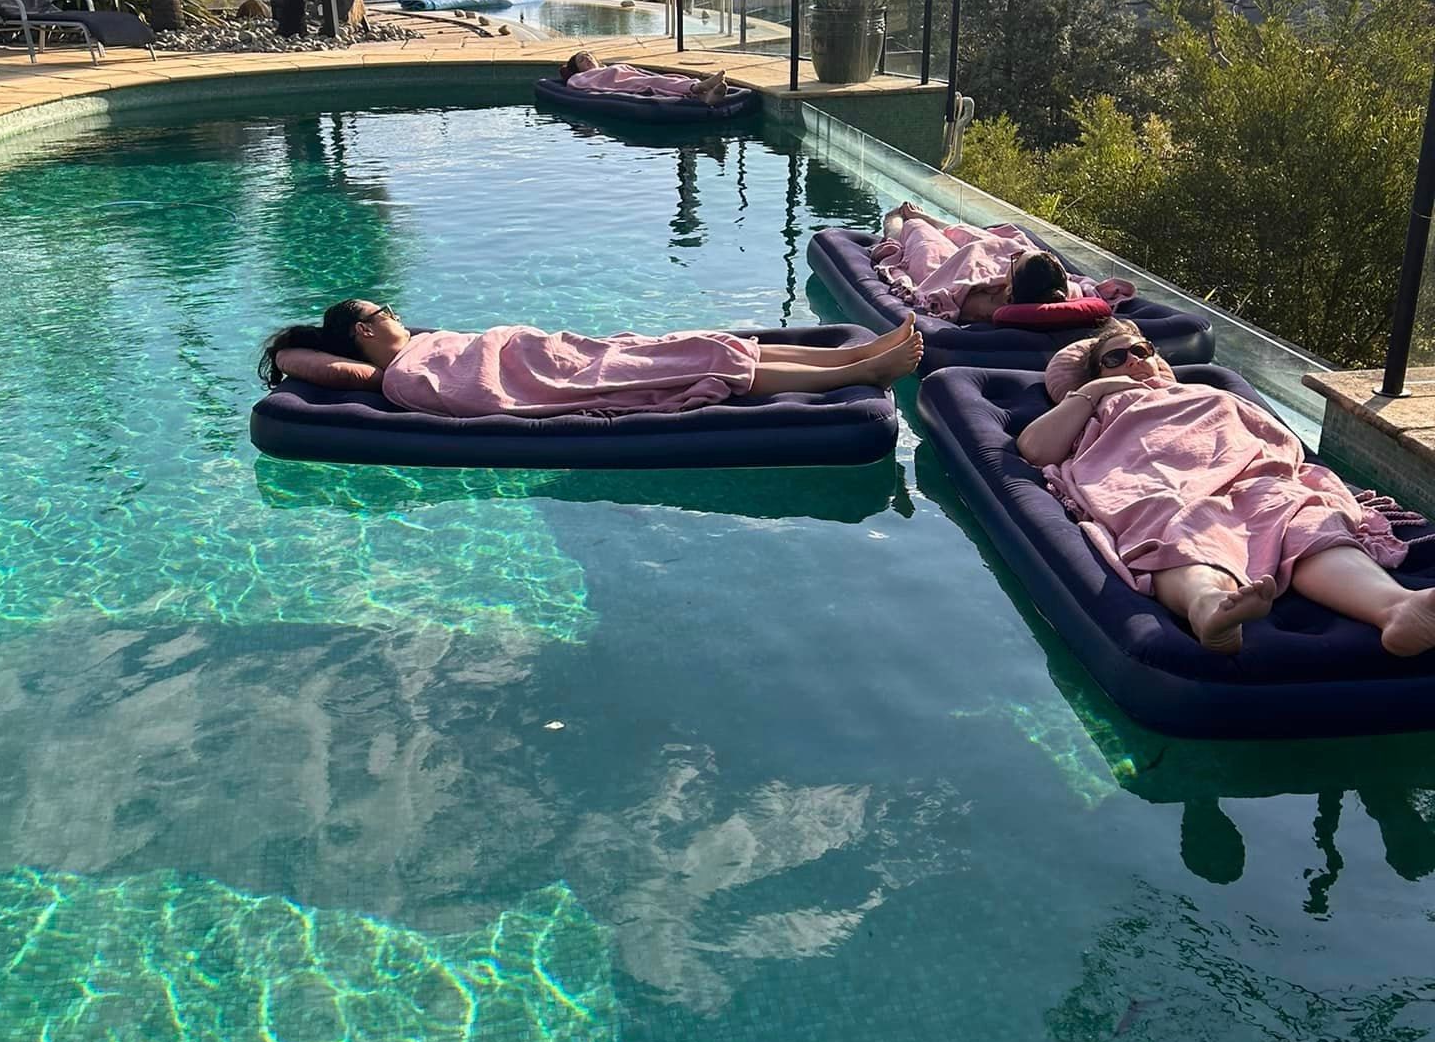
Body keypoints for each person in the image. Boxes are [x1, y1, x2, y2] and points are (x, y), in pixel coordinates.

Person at [1015, 318, 1435, 657]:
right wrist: (1095, 391)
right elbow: (1034, 449)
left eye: (1142, 350)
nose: (1134, 360)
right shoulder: (1100, 405)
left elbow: (1280, 442)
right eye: (1116, 357)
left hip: (1247, 473)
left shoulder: (1203, 390)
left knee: (1299, 513)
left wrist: (1257, 467)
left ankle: (1396, 608)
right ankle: (1209, 606)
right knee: (1173, 518)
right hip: (1151, 475)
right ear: (1097, 373)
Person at [259, 298, 922, 417]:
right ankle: (858, 371)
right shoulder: (397, 375)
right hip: (555, 379)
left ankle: (859, 355)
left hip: (563, 352)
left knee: (705, 345)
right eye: (384, 313)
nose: (396, 315)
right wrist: (293, 350)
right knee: (701, 366)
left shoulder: (422, 343)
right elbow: (303, 361)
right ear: (366, 335)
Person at [872, 203, 1131, 322]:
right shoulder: (1067, 290)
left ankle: (897, 225)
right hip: (986, 256)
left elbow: (938, 290)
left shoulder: (982, 303)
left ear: (1010, 288)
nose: (1015, 257)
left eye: (1015, 262)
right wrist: (1015, 255)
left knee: (914, 228)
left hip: (952, 267)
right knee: (1004, 239)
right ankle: (943, 226)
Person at [559, 51, 731, 106]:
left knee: (668, 78)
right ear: (577, 68)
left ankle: (705, 97)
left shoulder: (607, 67)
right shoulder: (578, 77)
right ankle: (698, 87)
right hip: (621, 84)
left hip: (633, 77)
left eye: (589, 55)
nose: (587, 59)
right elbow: (578, 85)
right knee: (653, 83)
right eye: (582, 59)